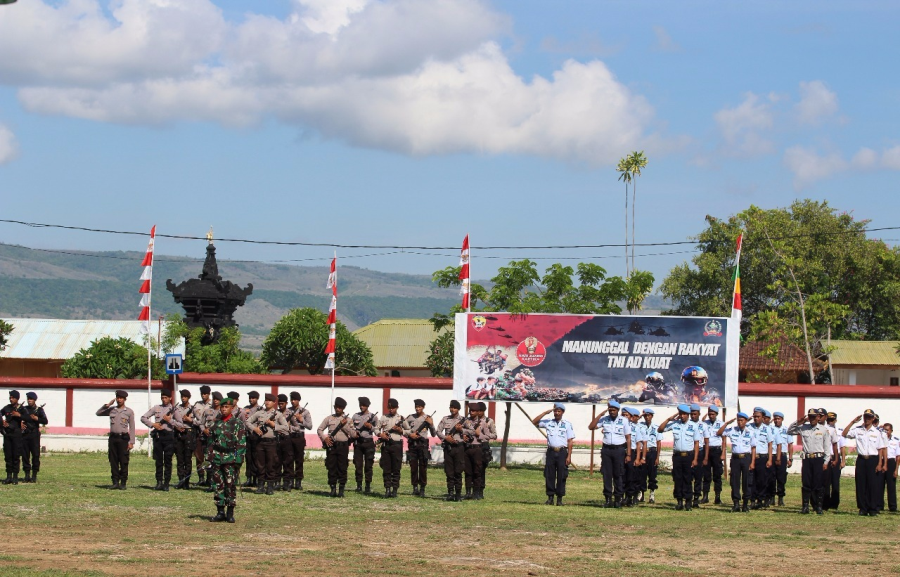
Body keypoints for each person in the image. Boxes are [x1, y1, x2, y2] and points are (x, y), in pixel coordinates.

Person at [204, 396, 247, 523]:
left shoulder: (237, 424)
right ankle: (220, 511)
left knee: (230, 485)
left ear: (232, 408)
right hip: (217, 457)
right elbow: (210, 442)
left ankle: (230, 512)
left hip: (230, 458)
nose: (223, 409)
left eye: (226, 407)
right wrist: (208, 457)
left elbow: (241, 443)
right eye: (222, 407)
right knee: (218, 485)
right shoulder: (216, 423)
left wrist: (239, 460)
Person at [658, 404, 703, 511]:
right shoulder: (675, 424)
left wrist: (695, 459)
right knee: (677, 479)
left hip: (688, 456)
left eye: (684, 414)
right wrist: (669, 419)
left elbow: (696, 443)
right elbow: (660, 429)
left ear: (688, 415)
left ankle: (688, 501)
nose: (682, 416)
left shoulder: (693, 426)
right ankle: (679, 501)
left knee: (687, 479)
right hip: (677, 456)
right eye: (680, 414)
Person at [843, 409, 887, 516]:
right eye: (865, 417)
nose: (867, 419)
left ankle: (872, 508)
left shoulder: (877, 432)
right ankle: (862, 508)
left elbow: (881, 448)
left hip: (873, 459)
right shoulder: (858, 430)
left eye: (869, 417)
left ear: (873, 419)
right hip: (861, 459)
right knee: (861, 484)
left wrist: (880, 463)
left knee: (873, 485)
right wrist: (853, 422)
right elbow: (844, 434)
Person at [787, 409, 832, 514]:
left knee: (818, 483)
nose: (812, 419)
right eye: (810, 417)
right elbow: (789, 431)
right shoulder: (804, 428)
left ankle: (818, 506)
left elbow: (827, 448)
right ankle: (805, 506)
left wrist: (826, 462)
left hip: (818, 458)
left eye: (814, 417)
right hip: (807, 458)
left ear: (818, 417)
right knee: (806, 482)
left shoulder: (823, 430)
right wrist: (799, 421)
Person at [589, 400, 632, 508]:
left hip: (619, 450)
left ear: (618, 410)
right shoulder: (605, 419)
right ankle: (608, 499)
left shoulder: (624, 421)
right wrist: (600, 415)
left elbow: (628, 438)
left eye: (614, 410)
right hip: (607, 450)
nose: (612, 412)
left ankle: (618, 499)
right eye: (610, 410)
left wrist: (628, 454)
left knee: (618, 474)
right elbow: (591, 427)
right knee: (607, 475)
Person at [533, 402, 575, 506]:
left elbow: (570, 441)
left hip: (562, 452)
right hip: (551, 452)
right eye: (555, 411)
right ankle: (550, 497)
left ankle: (559, 499)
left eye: (559, 411)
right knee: (549, 475)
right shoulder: (548, 422)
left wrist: (569, 456)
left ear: (562, 412)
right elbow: (534, 422)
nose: (556, 413)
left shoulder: (567, 424)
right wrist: (544, 413)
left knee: (562, 475)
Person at [247, 393, 288, 495]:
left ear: (274, 403)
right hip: (260, 442)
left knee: (271, 464)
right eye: (266, 400)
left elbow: (286, 427)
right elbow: (248, 422)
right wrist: (255, 429)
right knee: (260, 464)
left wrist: (274, 425)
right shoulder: (259, 413)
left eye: (269, 401)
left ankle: (270, 486)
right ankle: (260, 485)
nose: (267, 402)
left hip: (272, 442)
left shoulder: (278, 414)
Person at [716, 412, 757, 512]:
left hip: (746, 458)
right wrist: (726, 424)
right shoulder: (732, 430)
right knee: (734, 481)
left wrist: (752, 462)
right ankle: (736, 503)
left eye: (742, 420)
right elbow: (719, 433)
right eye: (738, 420)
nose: (740, 422)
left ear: (746, 421)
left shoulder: (750, 432)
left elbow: (753, 448)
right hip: (735, 459)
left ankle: (745, 504)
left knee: (746, 481)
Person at [96, 390, 135, 490]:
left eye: (121, 398)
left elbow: (132, 427)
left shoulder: (129, 412)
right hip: (113, 438)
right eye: (118, 398)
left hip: (123, 438)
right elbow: (98, 413)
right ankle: (115, 482)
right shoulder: (112, 410)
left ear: (125, 399)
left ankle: (123, 482)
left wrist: (131, 442)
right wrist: (107, 405)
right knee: (113, 460)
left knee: (123, 461)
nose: (119, 400)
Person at [318, 396, 355, 497]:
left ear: (343, 408)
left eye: (340, 407)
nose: (338, 409)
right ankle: (333, 488)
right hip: (332, 446)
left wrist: (344, 426)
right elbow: (319, 429)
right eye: (336, 407)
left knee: (342, 467)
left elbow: (353, 434)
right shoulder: (329, 418)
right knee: (331, 467)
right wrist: (324, 438)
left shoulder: (348, 420)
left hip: (343, 446)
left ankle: (341, 489)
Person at [141, 389, 176, 491]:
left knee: (168, 461)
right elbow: (143, 417)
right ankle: (159, 482)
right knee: (159, 461)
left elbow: (179, 424)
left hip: (169, 436)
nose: (164, 400)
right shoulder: (156, 408)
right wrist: (153, 424)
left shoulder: (174, 409)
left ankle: (166, 483)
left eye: (166, 398)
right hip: (158, 436)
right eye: (162, 398)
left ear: (170, 398)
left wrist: (170, 420)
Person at [403, 399, 434, 497]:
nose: (417, 409)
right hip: (413, 444)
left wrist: (431, 424)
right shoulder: (410, 417)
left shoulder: (427, 418)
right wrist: (409, 435)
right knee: (413, 467)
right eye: (416, 407)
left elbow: (433, 434)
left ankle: (422, 488)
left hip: (423, 444)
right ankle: (415, 487)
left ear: (423, 407)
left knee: (423, 467)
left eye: (419, 407)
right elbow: (403, 430)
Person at [437, 400, 466, 502]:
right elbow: (438, 431)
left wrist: (461, 430)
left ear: (458, 409)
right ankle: (450, 493)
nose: (452, 409)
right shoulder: (445, 419)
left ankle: (458, 494)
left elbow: (471, 431)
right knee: (449, 472)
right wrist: (446, 438)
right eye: (451, 407)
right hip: (448, 448)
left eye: (454, 407)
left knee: (458, 471)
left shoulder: (463, 420)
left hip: (459, 448)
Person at [467, 401, 497, 500]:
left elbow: (494, 435)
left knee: (481, 470)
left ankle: (480, 490)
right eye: (477, 410)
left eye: (480, 411)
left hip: (483, 447)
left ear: (483, 411)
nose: (478, 412)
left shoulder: (489, 421)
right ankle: (470, 491)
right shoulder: (470, 421)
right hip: (472, 446)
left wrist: (481, 435)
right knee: (470, 470)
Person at [377, 398, 404, 498]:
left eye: (393, 408)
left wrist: (401, 431)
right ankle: (387, 489)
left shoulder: (401, 418)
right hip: (386, 445)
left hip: (396, 445)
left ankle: (395, 489)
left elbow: (409, 431)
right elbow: (376, 428)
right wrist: (380, 434)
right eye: (390, 408)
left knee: (396, 468)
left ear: (397, 408)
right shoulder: (384, 417)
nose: (391, 409)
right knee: (386, 468)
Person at [748, 408, 773, 509]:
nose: (756, 419)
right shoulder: (749, 427)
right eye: (754, 417)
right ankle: (752, 500)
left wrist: (770, 459)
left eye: (758, 417)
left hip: (762, 457)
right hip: (751, 457)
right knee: (751, 480)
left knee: (761, 480)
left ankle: (760, 500)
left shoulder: (767, 429)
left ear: (763, 418)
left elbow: (770, 444)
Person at [20, 392, 48, 484]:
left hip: (34, 435)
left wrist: (37, 419)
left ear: (34, 400)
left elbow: (45, 420)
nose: (29, 401)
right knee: (25, 455)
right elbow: (18, 418)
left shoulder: (39, 410)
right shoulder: (24, 409)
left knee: (35, 455)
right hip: (25, 434)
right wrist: (20, 423)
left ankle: (34, 475)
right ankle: (27, 475)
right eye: (28, 399)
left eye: (31, 399)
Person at [351, 396, 377, 494]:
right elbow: (351, 428)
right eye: (360, 405)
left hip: (368, 442)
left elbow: (377, 429)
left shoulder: (373, 416)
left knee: (368, 465)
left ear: (367, 406)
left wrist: (371, 427)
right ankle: (358, 485)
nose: (361, 407)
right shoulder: (355, 416)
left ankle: (368, 485)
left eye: (363, 405)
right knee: (358, 465)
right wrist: (354, 433)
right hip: (358, 443)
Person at [171, 389, 196, 489]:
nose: (183, 398)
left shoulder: (193, 408)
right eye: (182, 396)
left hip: (189, 433)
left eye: (185, 396)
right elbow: (171, 419)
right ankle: (181, 480)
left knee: (187, 459)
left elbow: (199, 421)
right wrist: (177, 426)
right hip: (178, 434)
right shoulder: (177, 408)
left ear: (188, 397)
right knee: (179, 459)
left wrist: (190, 420)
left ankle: (187, 481)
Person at [288, 392, 312, 491]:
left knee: (299, 460)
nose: (293, 401)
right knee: (289, 459)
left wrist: (301, 420)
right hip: (289, 436)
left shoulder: (305, 412)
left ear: (299, 400)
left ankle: (298, 481)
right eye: (291, 399)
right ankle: (289, 480)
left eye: (295, 399)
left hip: (299, 437)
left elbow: (310, 426)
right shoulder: (288, 411)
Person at [701, 405, 724, 504]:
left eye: (713, 414)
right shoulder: (704, 423)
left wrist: (723, 452)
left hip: (716, 451)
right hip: (706, 450)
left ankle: (717, 497)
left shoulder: (721, 424)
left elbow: (724, 440)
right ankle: (705, 496)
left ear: (716, 414)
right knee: (706, 474)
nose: (711, 416)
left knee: (717, 474)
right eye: (710, 414)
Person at [1, 390, 25, 485]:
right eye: (10, 397)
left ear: (17, 398)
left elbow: (28, 418)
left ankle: (15, 476)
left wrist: (19, 415)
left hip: (17, 435)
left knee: (16, 456)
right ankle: (8, 476)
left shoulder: (21, 408)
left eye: (13, 398)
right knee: (8, 456)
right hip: (7, 435)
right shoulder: (7, 408)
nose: (11, 399)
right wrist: (2, 422)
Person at [823, 411, 845, 510]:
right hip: (827, 457)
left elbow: (842, 447)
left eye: (832, 420)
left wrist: (842, 460)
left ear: (835, 420)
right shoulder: (824, 429)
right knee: (826, 482)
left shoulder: (840, 431)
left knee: (835, 482)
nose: (830, 422)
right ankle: (826, 502)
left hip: (836, 456)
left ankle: (835, 503)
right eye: (828, 420)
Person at [624, 407, 646, 507]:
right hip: (621, 452)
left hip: (632, 453)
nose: (624, 417)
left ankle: (631, 496)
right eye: (623, 415)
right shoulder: (620, 426)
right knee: (622, 475)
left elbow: (639, 444)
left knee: (632, 476)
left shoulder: (636, 428)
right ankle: (623, 496)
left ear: (631, 417)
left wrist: (638, 458)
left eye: (626, 415)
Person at [240, 391, 263, 489]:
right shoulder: (245, 409)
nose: (251, 399)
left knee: (256, 458)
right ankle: (249, 478)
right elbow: (243, 421)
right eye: (250, 397)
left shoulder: (261, 409)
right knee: (248, 457)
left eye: (253, 398)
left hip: (256, 436)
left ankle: (256, 479)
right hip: (248, 435)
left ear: (257, 398)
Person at [689, 403, 709, 508]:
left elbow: (706, 442)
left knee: (698, 476)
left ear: (699, 414)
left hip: (700, 452)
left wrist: (706, 457)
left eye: (695, 414)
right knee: (687, 476)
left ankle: (696, 498)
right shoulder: (687, 424)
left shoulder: (704, 425)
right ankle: (687, 497)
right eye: (691, 414)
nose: (693, 416)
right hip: (689, 452)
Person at [192, 385, 213, 488]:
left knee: (209, 457)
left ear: (209, 394)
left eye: (205, 393)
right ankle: (201, 478)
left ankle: (209, 479)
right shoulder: (196, 405)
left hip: (209, 434)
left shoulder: (213, 404)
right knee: (199, 457)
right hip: (199, 433)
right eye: (202, 394)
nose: (203, 395)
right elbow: (192, 418)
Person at [771, 411, 792, 507]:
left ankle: (780, 498)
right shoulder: (770, 429)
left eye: (778, 419)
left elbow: (790, 444)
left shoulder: (787, 430)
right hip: (772, 455)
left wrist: (790, 458)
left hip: (783, 456)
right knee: (771, 477)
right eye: (775, 419)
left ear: (782, 419)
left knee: (781, 478)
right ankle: (771, 498)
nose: (776, 420)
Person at [640, 408, 661, 504]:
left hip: (652, 452)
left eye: (649, 415)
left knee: (652, 474)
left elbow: (659, 443)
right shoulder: (640, 426)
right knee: (641, 474)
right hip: (642, 452)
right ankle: (641, 493)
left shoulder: (656, 427)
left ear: (652, 416)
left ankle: (652, 494)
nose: (647, 417)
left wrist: (657, 457)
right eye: (645, 416)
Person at [275, 394, 295, 492]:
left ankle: (287, 483)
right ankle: (277, 482)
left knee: (288, 462)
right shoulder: (275, 413)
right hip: (277, 438)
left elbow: (298, 427)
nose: (280, 405)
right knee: (277, 461)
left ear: (286, 403)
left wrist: (289, 427)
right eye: (279, 404)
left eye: (282, 403)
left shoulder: (290, 413)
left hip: (286, 438)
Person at [883, 423, 899, 512]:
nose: (886, 432)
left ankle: (892, 506)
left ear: (891, 431)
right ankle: (879, 505)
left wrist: (896, 469)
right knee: (879, 485)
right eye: (884, 430)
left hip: (891, 462)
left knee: (891, 485)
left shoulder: (896, 440)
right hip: (881, 461)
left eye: (887, 430)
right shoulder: (880, 439)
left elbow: (898, 456)